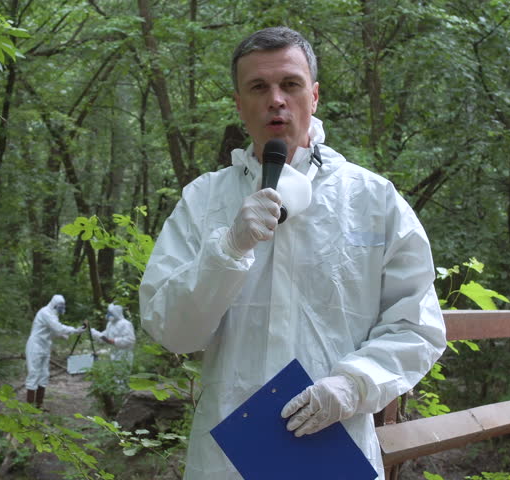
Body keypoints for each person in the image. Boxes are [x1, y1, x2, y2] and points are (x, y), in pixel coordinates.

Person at [139, 26, 446, 480]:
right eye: (258, 87)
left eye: (291, 84)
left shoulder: (372, 199)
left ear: (315, 96)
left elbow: (417, 325)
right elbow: (172, 331)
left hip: (334, 448)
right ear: (239, 104)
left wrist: (352, 384)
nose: (276, 100)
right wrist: (227, 249)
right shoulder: (204, 201)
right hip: (227, 456)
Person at [25, 294, 85, 409]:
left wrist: (62, 335)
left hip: (45, 347)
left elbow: (53, 330)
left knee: (44, 375)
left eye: (62, 306)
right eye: (59, 306)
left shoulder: (53, 315)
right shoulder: (45, 313)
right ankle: (29, 409)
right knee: (33, 374)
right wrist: (74, 330)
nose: (61, 308)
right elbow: (57, 327)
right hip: (35, 346)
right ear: (54, 304)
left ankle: (39, 405)